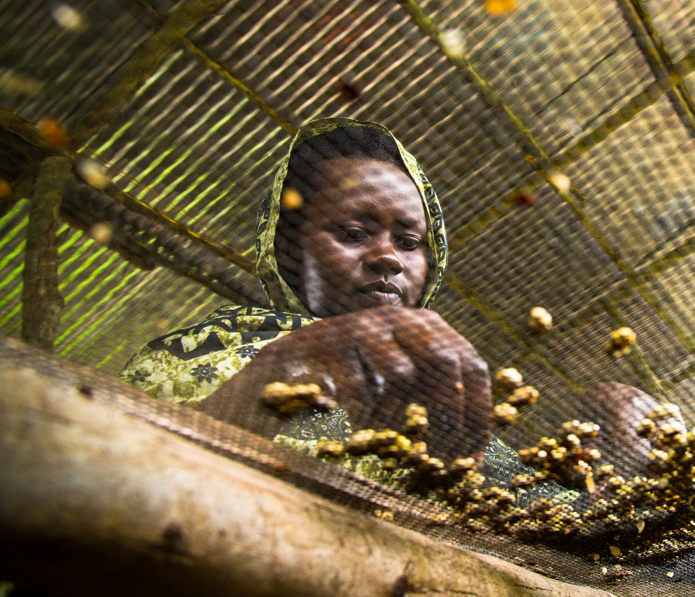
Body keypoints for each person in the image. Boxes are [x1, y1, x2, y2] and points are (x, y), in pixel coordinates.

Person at [120, 118, 491, 464]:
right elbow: (132, 467)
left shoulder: (450, 400)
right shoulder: (191, 358)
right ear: (289, 250)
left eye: (409, 242)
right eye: (352, 234)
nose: (388, 258)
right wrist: (295, 362)